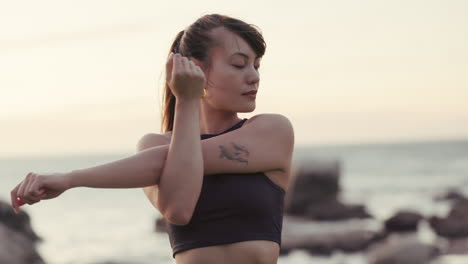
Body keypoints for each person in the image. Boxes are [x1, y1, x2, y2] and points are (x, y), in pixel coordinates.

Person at [10, 14, 294, 264]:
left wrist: (70, 179)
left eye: (256, 66)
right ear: (196, 69)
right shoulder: (153, 145)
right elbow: (179, 209)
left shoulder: (272, 131)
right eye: (239, 65)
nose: (254, 77)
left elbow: (168, 161)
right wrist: (186, 101)